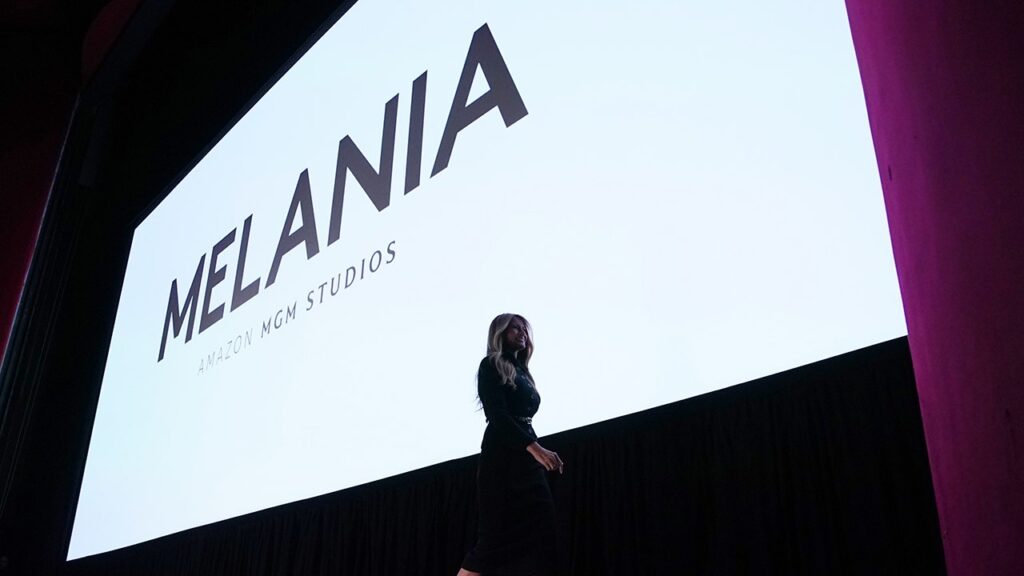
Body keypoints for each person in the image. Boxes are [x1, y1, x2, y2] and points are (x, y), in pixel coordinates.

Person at [458, 313, 564, 576]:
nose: (522, 333)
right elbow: (498, 416)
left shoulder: (523, 372)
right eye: (514, 328)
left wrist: (533, 449)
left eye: (524, 329)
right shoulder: (490, 365)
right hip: (501, 461)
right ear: (500, 333)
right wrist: (536, 448)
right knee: (493, 542)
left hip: (526, 462)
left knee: (543, 531)